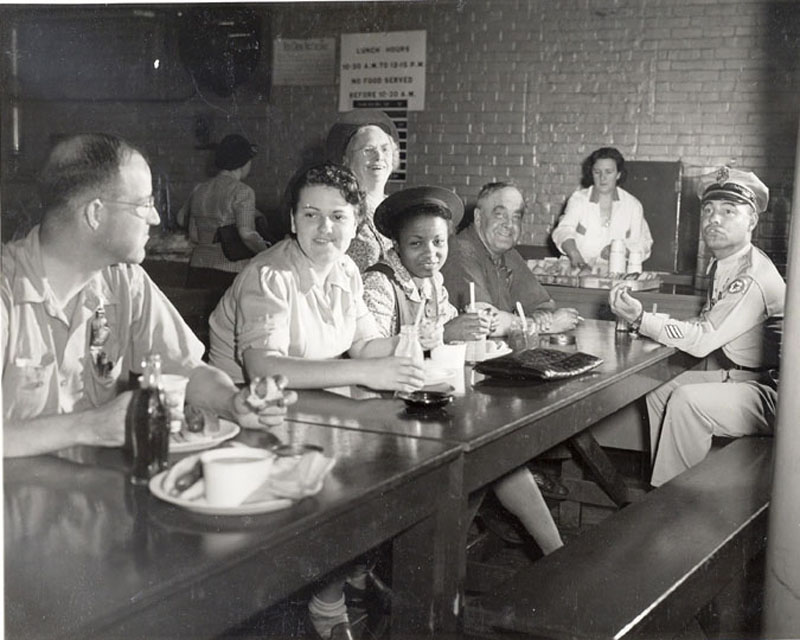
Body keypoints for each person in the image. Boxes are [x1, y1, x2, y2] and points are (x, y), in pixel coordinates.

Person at [208, 163, 425, 640]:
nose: (325, 228)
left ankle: (337, 585)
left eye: (338, 216)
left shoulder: (346, 270)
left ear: (356, 223)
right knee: (353, 484)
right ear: (292, 220)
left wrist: (419, 341)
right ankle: (330, 599)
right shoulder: (270, 274)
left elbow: (368, 344)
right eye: (311, 215)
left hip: (308, 413)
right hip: (241, 422)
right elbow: (264, 369)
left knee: (389, 465)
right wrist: (368, 371)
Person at [2, 133, 295, 459]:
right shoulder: (6, 289)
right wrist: (92, 426)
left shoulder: (123, 280)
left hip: (94, 492)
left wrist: (234, 403)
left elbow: (187, 369)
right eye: (144, 204)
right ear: (95, 214)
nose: (155, 218)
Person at [363, 185, 564, 556]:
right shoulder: (380, 282)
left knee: (496, 451)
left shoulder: (434, 282)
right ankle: (429, 565)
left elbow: (453, 344)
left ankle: (555, 553)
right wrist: (445, 333)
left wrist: (490, 334)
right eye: (416, 244)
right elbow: (369, 355)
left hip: (427, 403)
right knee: (486, 456)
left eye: (439, 243)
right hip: (381, 413)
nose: (430, 254)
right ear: (397, 244)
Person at [609, 166, 784, 487]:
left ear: (752, 222)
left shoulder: (751, 276)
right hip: (744, 378)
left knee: (688, 401)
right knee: (657, 389)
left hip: (778, 396)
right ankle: (668, 486)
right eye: (708, 210)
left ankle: (671, 502)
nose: (714, 219)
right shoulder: (726, 263)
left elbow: (703, 340)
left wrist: (641, 319)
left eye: (729, 211)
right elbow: (705, 323)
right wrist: (647, 321)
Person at [441, 181, 581, 336]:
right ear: (478, 217)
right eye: (499, 215)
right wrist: (541, 326)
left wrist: (541, 315)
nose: (509, 224)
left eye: (516, 217)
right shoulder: (460, 251)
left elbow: (542, 304)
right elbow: (483, 322)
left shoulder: (507, 253)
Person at [177, 133, 270, 289]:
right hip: (229, 270)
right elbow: (247, 234)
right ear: (244, 162)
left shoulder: (200, 189)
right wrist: (267, 254)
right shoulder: (243, 192)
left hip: (198, 268)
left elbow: (190, 230)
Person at [552, 147, 653, 273]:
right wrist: (575, 255)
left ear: (618, 174)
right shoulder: (579, 200)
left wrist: (622, 250)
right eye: (597, 172)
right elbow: (563, 231)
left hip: (616, 273)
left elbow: (644, 243)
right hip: (578, 269)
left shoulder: (632, 205)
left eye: (608, 172)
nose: (602, 178)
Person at [325, 109, 400, 272]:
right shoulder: (341, 207)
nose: (379, 157)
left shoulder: (397, 207)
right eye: (368, 150)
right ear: (346, 160)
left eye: (385, 149)